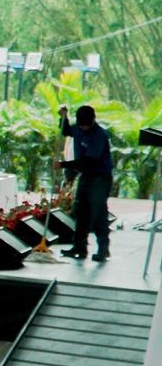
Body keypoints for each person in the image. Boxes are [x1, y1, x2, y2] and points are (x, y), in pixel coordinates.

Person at [62, 104, 114, 261]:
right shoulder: (78, 128)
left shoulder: (99, 135)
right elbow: (65, 131)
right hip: (85, 176)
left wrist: (63, 164)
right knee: (81, 211)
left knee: (98, 212)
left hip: (100, 178)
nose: (83, 127)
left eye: (86, 124)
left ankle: (103, 249)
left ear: (93, 120)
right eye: (81, 124)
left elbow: (88, 161)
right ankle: (79, 247)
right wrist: (64, 117)